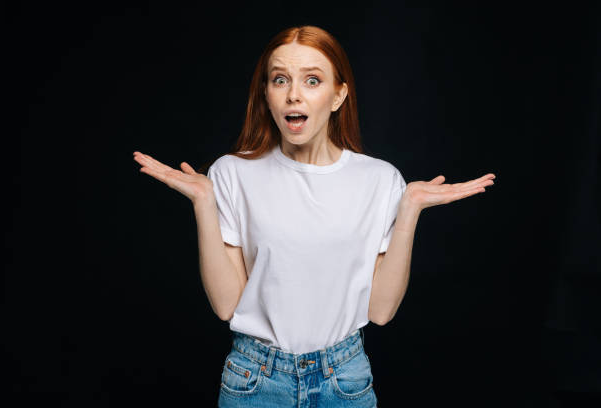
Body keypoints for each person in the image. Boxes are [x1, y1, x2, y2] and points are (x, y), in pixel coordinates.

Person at [133, 25, 495, 408]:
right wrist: (203, 204)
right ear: (266, 95)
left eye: (312, 80)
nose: (293, 95)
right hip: (255, 379)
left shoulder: (380, 180)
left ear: (338, 95)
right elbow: (226, 305)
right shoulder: (231, 173)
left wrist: (410, 209)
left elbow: (382, 311)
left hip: (344, 378)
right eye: (280, 80)